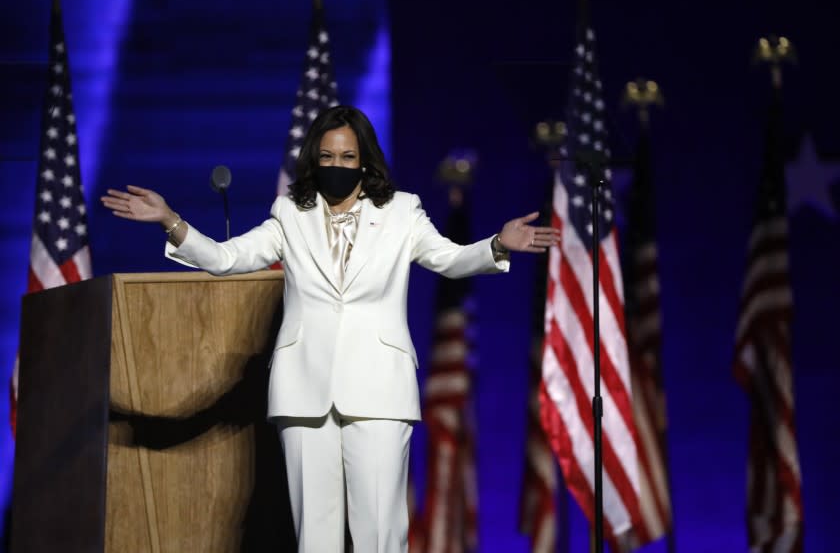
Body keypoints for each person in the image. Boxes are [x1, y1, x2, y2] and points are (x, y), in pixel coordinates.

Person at [101, 105, 560, 553]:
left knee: (379, 533)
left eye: (347, 157)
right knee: (314, 537)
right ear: (313, 161)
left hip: (380, 391)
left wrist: (498, 245)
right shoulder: (289, 214)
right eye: (327, 157)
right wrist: (171, 222)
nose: (336, 166)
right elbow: (227, 259)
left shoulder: (402, 212)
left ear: (364, 161)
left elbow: (450, 259)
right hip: (304, 393)